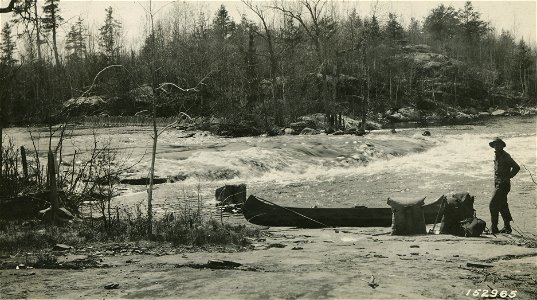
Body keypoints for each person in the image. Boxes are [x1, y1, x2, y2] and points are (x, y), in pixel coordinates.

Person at [489, 138, 520, 234]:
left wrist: (509, 176)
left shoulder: (506, 156)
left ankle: (494, 228)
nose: (496, 146)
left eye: (498, 144)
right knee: (502, 205)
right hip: (498, 184)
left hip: (503, 184)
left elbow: (516, 167)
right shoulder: (497, 155)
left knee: (493, 205)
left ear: (502, 146)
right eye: (495, 144)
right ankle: (507, 227)